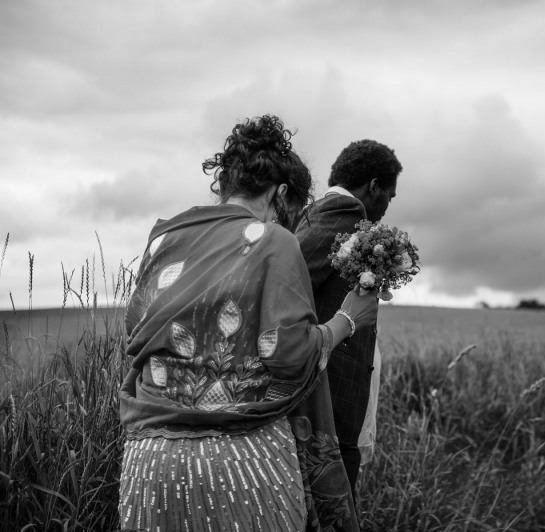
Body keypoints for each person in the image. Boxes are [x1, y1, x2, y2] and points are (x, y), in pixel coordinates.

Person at [117, 115, 378, 532]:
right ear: (281, 193)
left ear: (225, 183)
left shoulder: (163, 238)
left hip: (151, 463)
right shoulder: (274, 241)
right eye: (290, 211)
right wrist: (348, 319)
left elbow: (136, 332)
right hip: (241, 466)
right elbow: (289, 355)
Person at [293, 139, 402, 503]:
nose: (387, 205)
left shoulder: (323, 215)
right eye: (389, 194)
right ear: (373, 187)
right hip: (330, 407)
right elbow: (286, 284)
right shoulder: (344, 214)